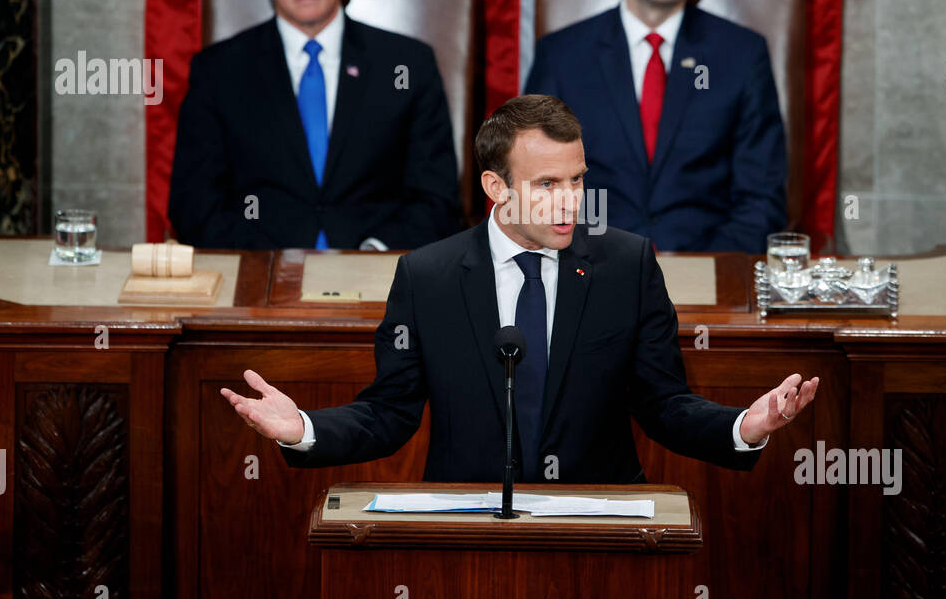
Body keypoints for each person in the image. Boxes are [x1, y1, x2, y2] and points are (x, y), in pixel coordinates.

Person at [220, 94, 818, 484]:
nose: (570, 201)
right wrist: (303, 428)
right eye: (547, 183)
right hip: (467, 533)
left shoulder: (625, 265)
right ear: (496, 187)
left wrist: (744, 426)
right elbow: (389, 414)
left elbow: (664, 405)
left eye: (578, 180)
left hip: (598, 526)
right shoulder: (428, 276)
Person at [167, 0, 460, 250]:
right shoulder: (218, 71)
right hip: (258, 280)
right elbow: (193, 205)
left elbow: (437, 198)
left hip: (379, 274)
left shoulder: (408, 64)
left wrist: (374, 255)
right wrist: (266, 265)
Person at [523, 0, 786, 253]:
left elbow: (761, 196)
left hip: (706, 264)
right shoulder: (563, 54)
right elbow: (533, 181)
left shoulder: (742, 56)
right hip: (587, 261)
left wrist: (716, 268)